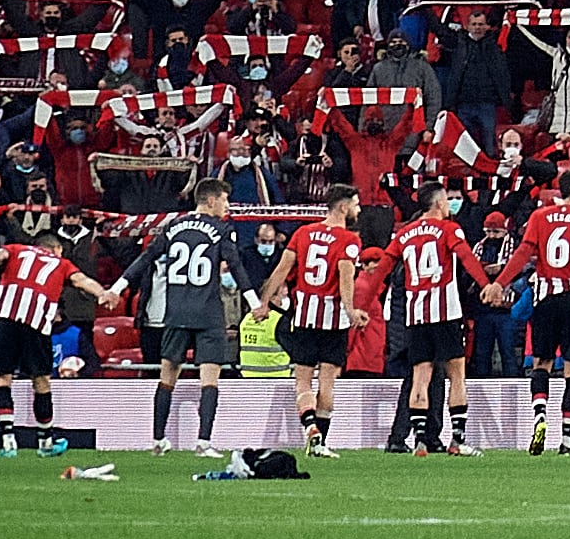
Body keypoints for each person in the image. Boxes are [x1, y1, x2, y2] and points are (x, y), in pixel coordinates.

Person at [0, 208, 114, 452]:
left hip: (4, 316)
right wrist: (103, 294)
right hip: (36, 321)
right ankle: (45, 440)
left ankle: (7, 439)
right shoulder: (62, 263)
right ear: (57, 249)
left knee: (2, 378)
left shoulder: (16, 249)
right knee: (41, 380)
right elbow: (82, 281)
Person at [495, 170, 570, 455]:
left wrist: (500, 283)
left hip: (545, 298)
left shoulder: (539, 217)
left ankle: (540, 416)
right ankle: (568, 440)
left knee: (541, 363)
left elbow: (523, 253)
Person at [367, 185, 485, 456]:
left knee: (421, 375)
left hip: (416, 314)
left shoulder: (404, 233)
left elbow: (383, 269)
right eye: (447, 200)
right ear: (438, 203)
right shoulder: (448, 229)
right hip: (446, 312)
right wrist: (487, 284)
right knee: (456, 374)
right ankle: (457, 440)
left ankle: (421, 440)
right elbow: (466, 257)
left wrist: (362, 304)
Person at [255, 185, 369, 455]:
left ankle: (310, 429)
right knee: (327, 381)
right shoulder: (349, 240)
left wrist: (264, 303)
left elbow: (282, 269)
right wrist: (351, 309)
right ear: (342, 207)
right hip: (333, 320)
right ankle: (321, 443)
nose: (358, 209)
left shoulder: (303, 233)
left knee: (303, 381)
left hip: (304, 316)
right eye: (355, 204)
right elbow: (344, 275)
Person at [139, 179, 249, 455]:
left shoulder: (173, 226)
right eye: (224, 200)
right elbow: (234, 265)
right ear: (211, 200)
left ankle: (157, 440)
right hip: (209, 312)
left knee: (167, 377)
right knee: (210, 379)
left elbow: (147, 258)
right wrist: (255, 302)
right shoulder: (220, 229)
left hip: (176, 312)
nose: (227, 206)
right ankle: (203, 442)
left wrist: (116, 287)